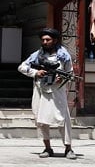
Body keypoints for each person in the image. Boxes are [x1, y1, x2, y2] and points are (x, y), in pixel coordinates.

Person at [18, 27, 77, 160]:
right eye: (43, 40)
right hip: (40, 90)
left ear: (55, 40)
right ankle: (47, 148)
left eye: (48, 39)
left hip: (57, 91)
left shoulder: (63, 56)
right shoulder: (36, 55)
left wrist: (62, 78)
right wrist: (36, 73)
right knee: (41, 120)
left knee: (63, 119)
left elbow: (70, 73)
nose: (45, 42)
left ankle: (68, 148)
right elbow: (22, 67)